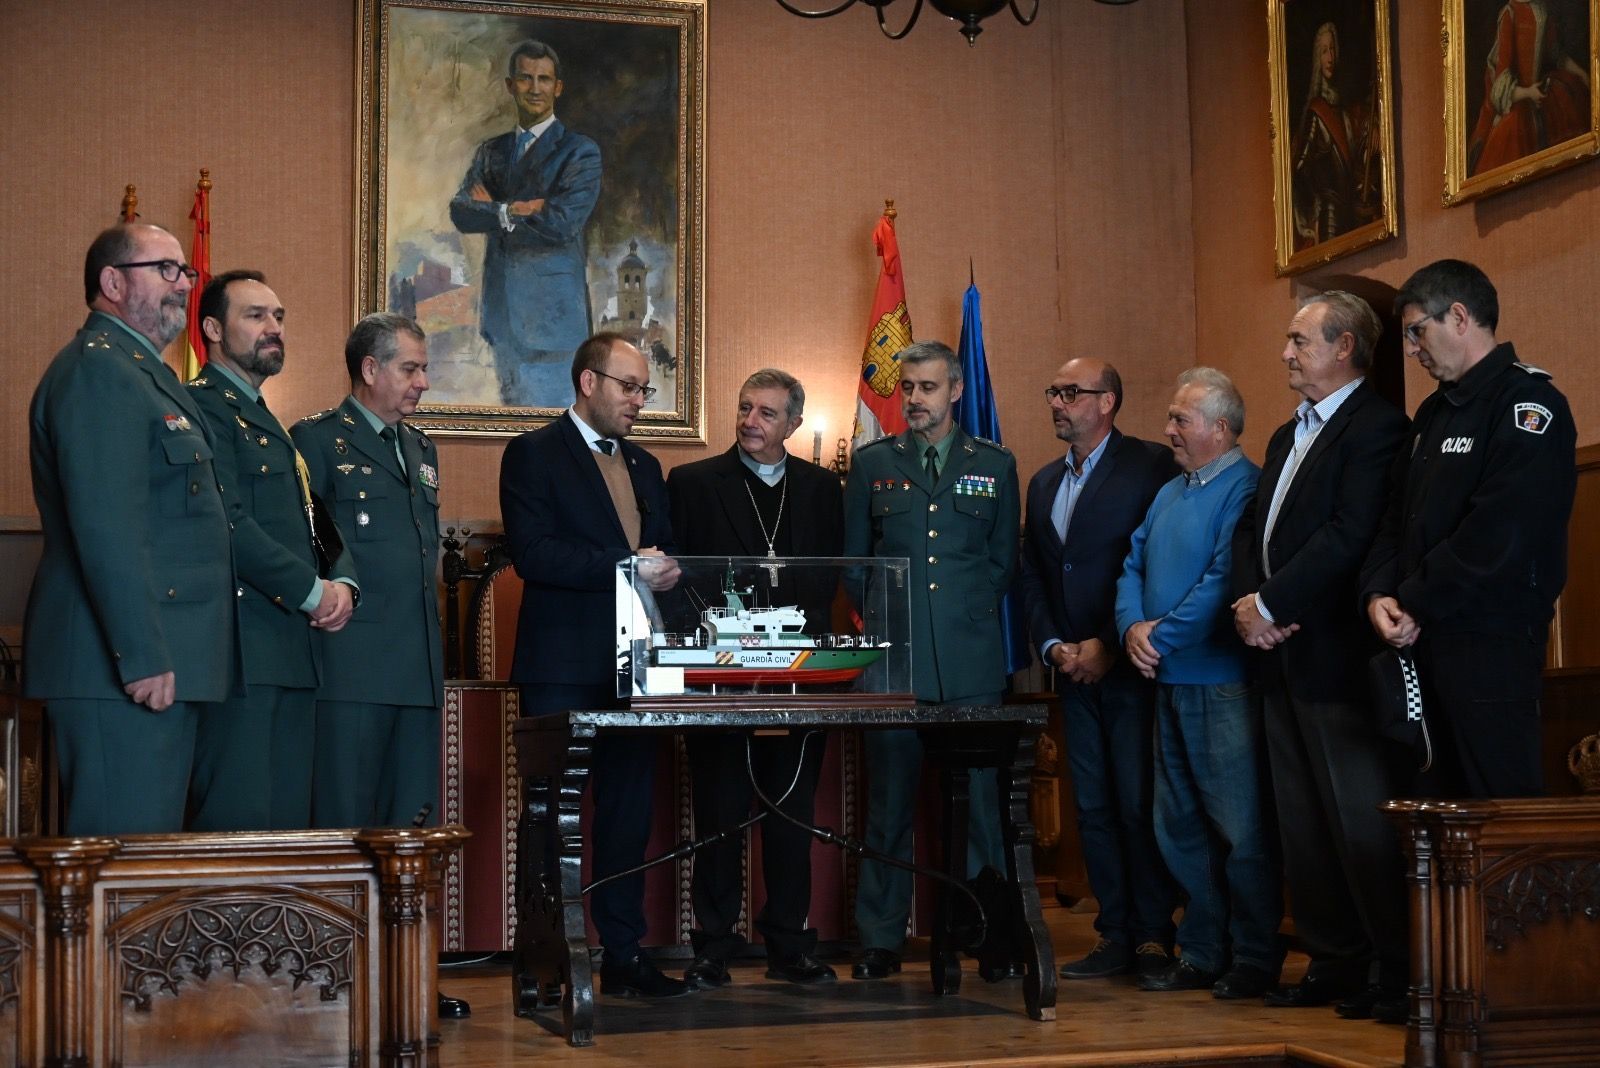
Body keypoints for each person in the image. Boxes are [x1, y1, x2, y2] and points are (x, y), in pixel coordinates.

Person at [1229, 292, 1410, 1022]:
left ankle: (1392, 969)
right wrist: (1249, 607)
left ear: (1345, 348)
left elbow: (1350, 534)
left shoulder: (1379, 428)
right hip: (1277, 655)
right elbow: (1251, 531)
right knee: (1303, 825)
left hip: (1335, 656)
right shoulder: (1282, 436)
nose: (1286, 353)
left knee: (1359, 822)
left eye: (1300, 340)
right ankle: (1334, 959)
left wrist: (1273, 607)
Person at [25, 222, 237, 836]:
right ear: (112, 282)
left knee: (145, 876)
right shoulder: (100, 372)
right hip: (120, 667)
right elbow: (107, 527)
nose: (182, 285)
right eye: (165, 270)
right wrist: (142, 656)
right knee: (119, 874)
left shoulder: (144, 372)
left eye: (186, 272)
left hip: (153, 662)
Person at [499, 332, 688, 999]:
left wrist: (664, 572)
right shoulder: (532, 454)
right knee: (550, 814)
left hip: (636, 664)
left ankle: (624, 954)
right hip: (562, 660)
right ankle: (546, 960)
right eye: (628, 386)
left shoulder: (645, 465)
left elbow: (660, 550)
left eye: (645, 388)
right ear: (588, 382)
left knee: (630, 812)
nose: (639, 399)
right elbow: (536, 555)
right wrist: (626, 566)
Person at [1361, 260, 1576, 800]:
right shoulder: (1433, 413)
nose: (1411, 348)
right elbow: (1396, 517)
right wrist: (1380, 593)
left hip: (1489, 644)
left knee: (1496, 811)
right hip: (1421, 639)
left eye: (1417, 331)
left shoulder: (1528, 405)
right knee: (1433, 815)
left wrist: (1412, 599)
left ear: (1459, 316)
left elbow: (1499, 532)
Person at [843, 340, 1020, 982]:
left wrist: (959, 620)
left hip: (970, 665)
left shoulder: (994, 464)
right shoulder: (872, 464)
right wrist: (895, 624)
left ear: (955, 391)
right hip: (895, 665)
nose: (915, 399)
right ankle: (881, 940)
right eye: (908, 388)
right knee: (889, 807)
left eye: (927, 388)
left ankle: (987, 933)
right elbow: (856, 566)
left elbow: (1001, 565)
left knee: (980, 810)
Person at [666, 369, 844, 988]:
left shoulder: (823, 488)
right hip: (718, 674)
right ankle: (714, 947)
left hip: (800, 677)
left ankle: (789, 946)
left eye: (766, 413)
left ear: (794, 424)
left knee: (791, 817)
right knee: (717, 815)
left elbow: (831, 577)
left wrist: (794, 635)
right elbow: (679, 578)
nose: (750, 422)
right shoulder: (692, 483)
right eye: (745, 408)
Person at [1115, 368, 1281, 999]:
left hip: (1219, 683)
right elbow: (1132, 563)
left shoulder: (1245, 487)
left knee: (1240, 831)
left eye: (1181, 420)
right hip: (1168, 682)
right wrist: (1132, 626)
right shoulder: (1169, 492)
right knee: (1178, 826)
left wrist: (1157, 637)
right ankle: (1204, 950)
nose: (1168, 431)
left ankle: (1256, 956)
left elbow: (1222, 583)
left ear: (1219, 427)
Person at [1017, 357, 1180, 982]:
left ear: (1107, 401)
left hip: (1127, 667)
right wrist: (1054, 644)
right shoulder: (1042, 480)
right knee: (1093, 810)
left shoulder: (1150, 467)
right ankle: (1114, 932)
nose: (1058, 402)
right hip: (1071, 672)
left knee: (1139, 804)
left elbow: (1155, 566)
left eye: (1071, 392)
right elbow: (1034, 574)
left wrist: (1109, 643)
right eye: (1053, 391)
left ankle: (1153, 934)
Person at [186, 270, 358, 831]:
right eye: (255, 315)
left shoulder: (266, 420)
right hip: (242, 651)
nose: (273, 328)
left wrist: (343, 582)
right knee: (238, 828)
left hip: (291, 651)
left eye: (279, 317)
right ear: (212, 328)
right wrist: (311, 592)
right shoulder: (204, 406)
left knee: (285, 834)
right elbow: (225, 522)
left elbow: (313, 520)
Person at [450, 39, 602, 409]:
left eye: (544, 79)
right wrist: (513, 210)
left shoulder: (579, 152)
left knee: (551, 440)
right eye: (525, 78)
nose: (535, 88)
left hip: (553, 327)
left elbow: (560, 224)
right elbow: (461, 211)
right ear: (509, 86)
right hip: (501, 321)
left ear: (558, 87)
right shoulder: (492, 151)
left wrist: (495, 210)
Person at [1467, 0, 1591, 176]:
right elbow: (1500, 84)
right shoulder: (1509, 14)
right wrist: (1528, 92)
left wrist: (1583, 74)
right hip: (1516, 101)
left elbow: (1555, 56)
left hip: (1540, 95)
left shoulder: (1542, 10)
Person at [1291, 21, 1379, 248]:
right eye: (1324, 51)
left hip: (1350, 211)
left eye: (1332, 49)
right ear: (1317, 59)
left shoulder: (1342, 109)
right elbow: (1301, 167)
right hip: (1330, 211)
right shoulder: (1316, 112)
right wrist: (1321, 198)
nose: (1330, 56)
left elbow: (1353, 152)